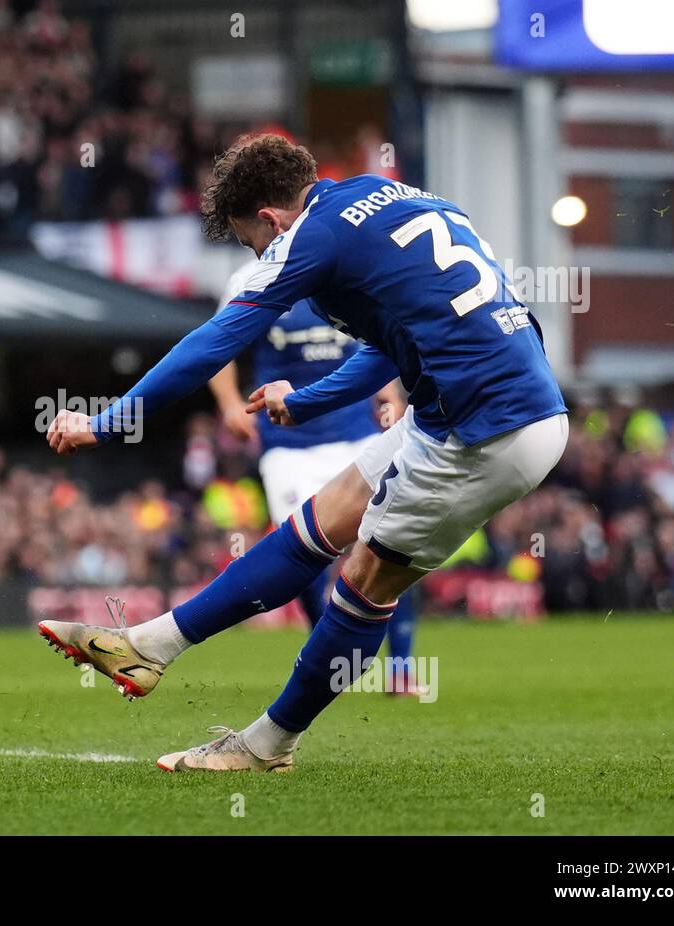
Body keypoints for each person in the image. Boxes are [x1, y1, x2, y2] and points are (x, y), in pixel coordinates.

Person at [40, 133, 568, 772]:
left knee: (364, 579)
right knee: (321, 520)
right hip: (478, 403)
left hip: (484, 425)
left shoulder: (310, 237)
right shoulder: (382, 195)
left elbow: (215, 341)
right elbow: (391, 341)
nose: (257, 256)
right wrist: (312, 399)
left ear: (270, 219)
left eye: (250, 243)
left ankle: (266, 745)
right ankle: (148, 646)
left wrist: (109, 422)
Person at [207, 261, 421, 693]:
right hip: (289, 444)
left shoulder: (343, 268)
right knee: (302, 554)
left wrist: (390, 395)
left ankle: (400, 667)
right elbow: (217, 348)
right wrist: (230, 404)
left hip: (355, 436)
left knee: (391, 542)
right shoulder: (253, 278)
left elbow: (379, 340)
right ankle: (326, 655)